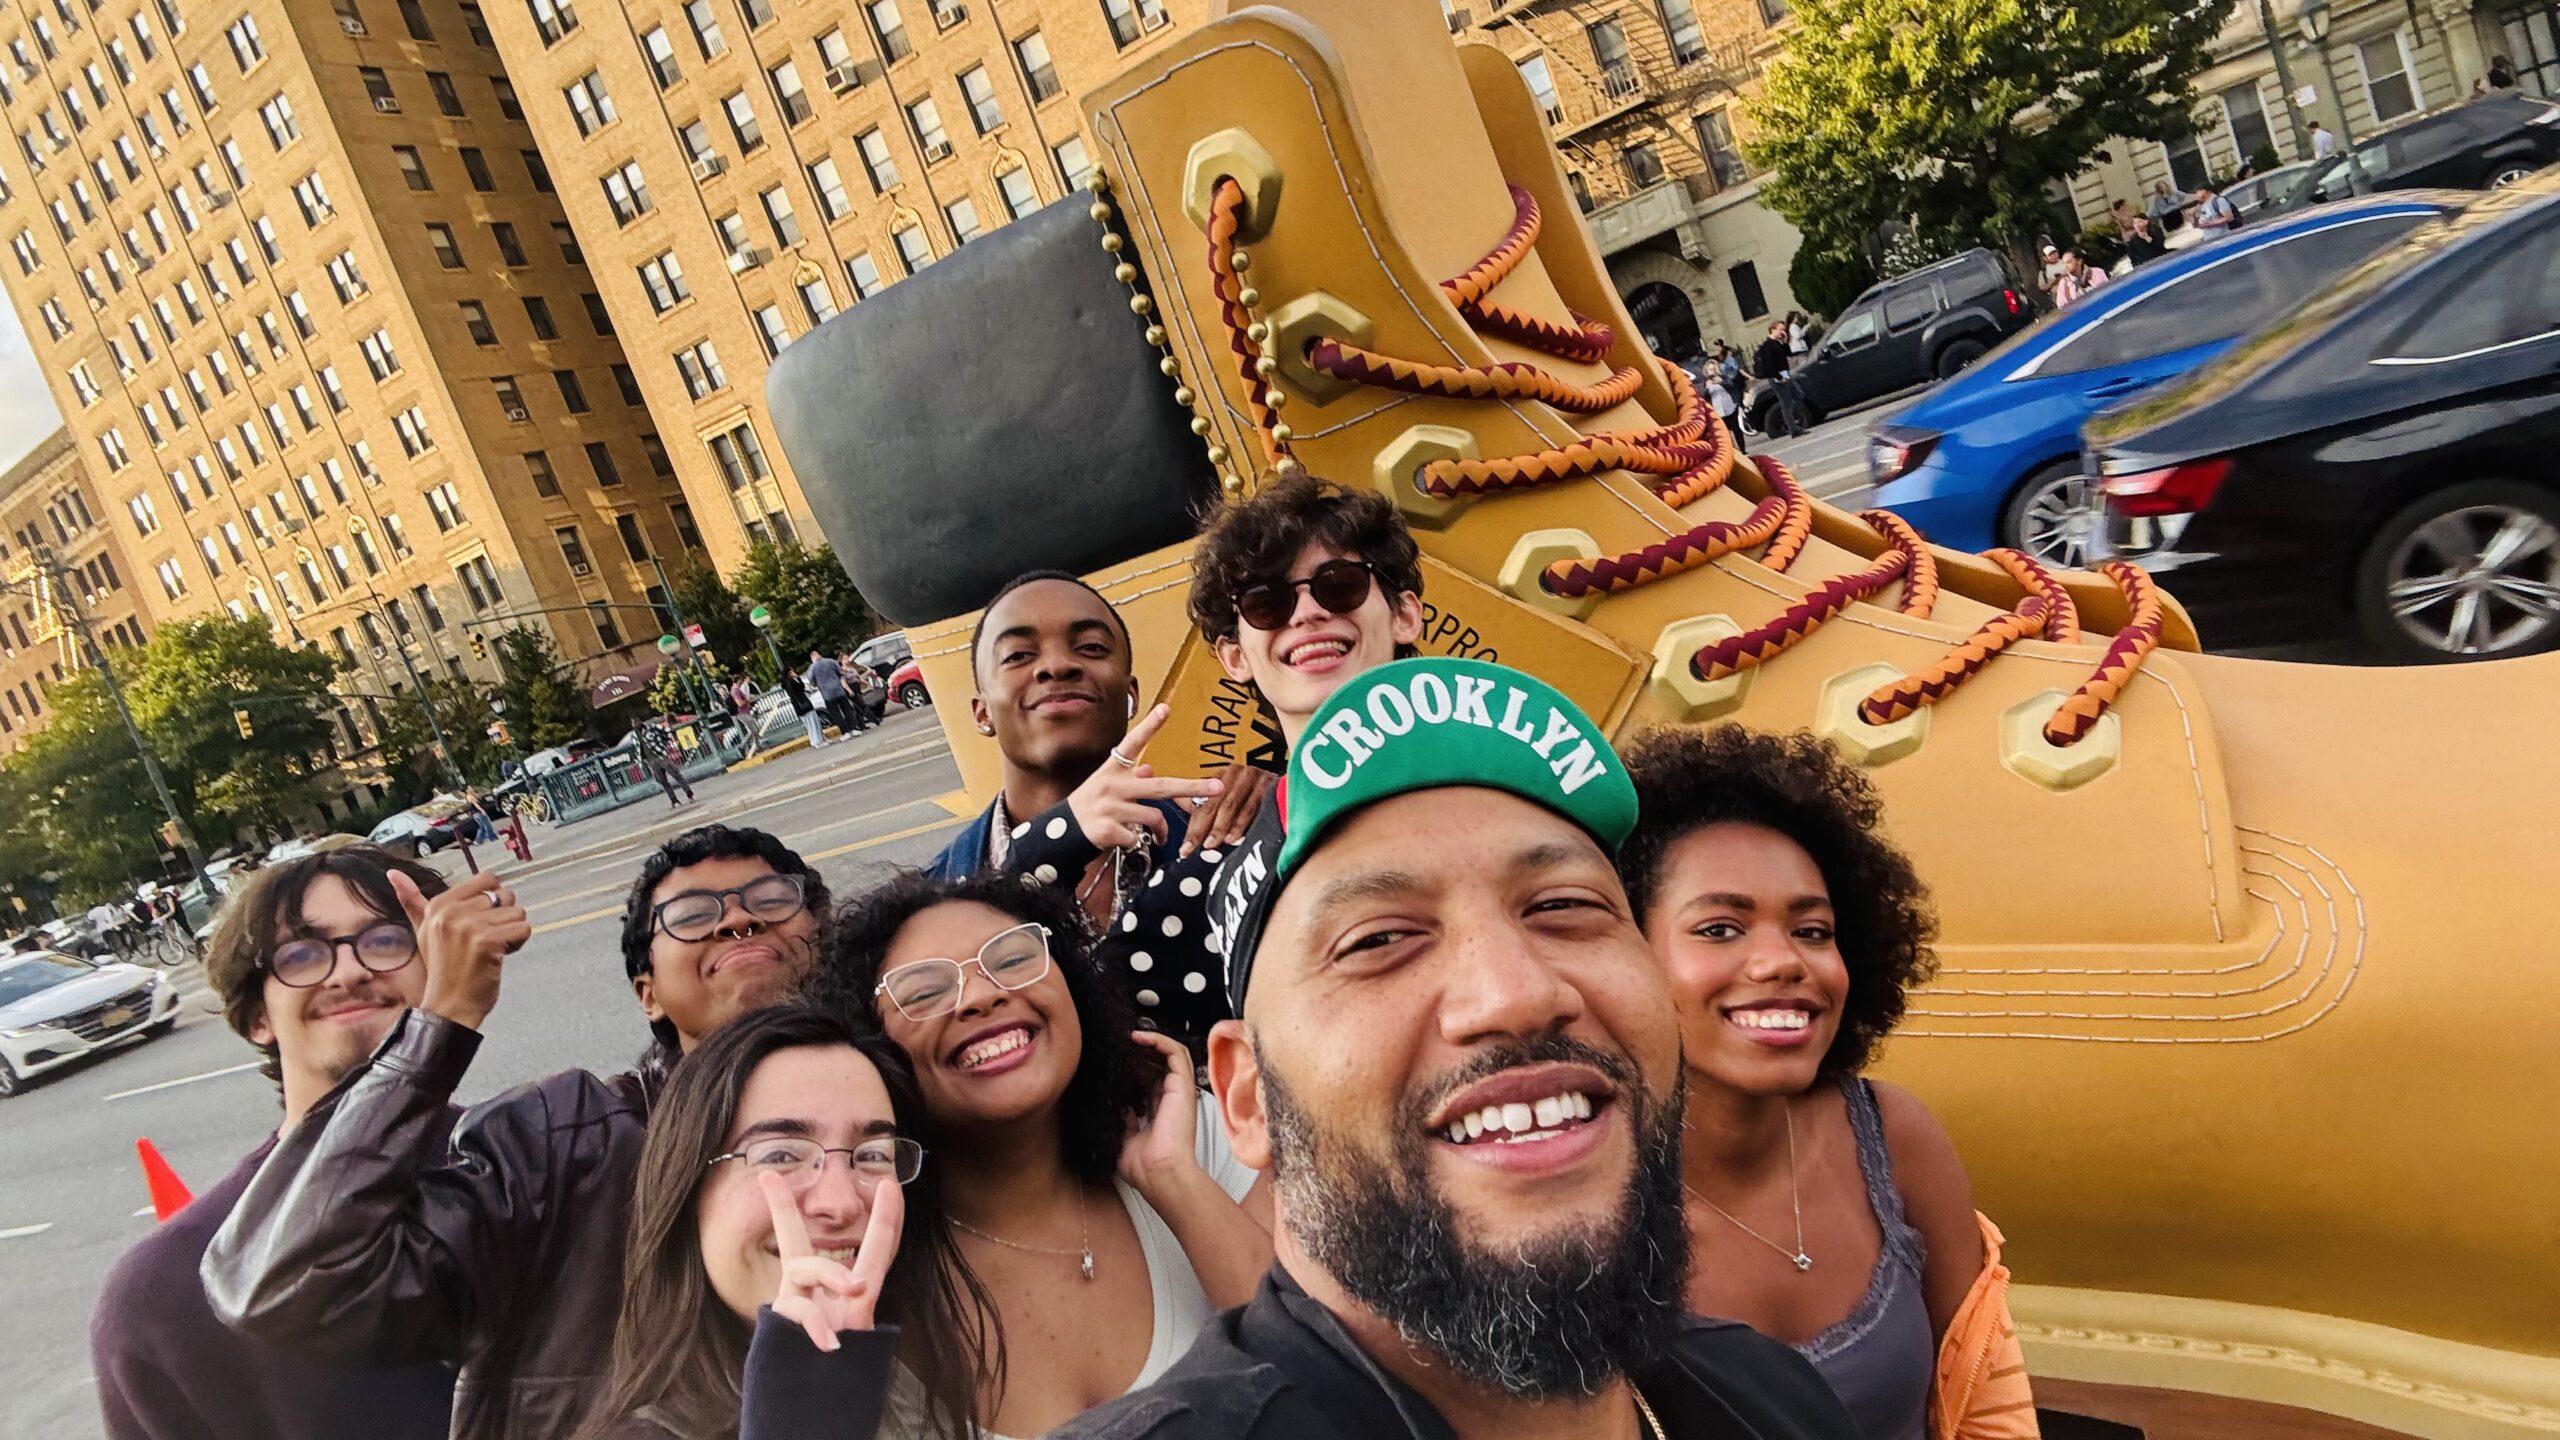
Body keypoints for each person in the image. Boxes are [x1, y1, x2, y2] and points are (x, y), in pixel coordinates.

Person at [912, 657, 1837, 1438]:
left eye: (1564, 908)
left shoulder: (1766, 1396)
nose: (1514, 993)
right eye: (1377, 941)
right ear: (1246, 1099)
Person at [202, 826, 831, 1440]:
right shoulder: (562, 1142)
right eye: (691, 915)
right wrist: (440, 1019)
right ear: (648, 995)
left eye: (773, 900)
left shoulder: (903, 1105)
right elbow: (294, 1285)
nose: (738, 921)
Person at [1618, 727, 2033, 1440]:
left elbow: (1988, 1410)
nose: (1782, 961)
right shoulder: (1572, 1200)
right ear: (1622, 953)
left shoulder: (1896, 1139)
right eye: (1720, 929)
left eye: (1812, 931)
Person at [813, 870, 1272, 1436]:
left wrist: (1172, 1179)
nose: (982, 995)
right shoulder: (856, 1269)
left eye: (1012, 959)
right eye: (925, 991)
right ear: (870, 1048)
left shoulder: (1193, 1138)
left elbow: (1330, 1369)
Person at [92, 848, 458, 1440]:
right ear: (257, 1016)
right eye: (304, 954)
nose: (349, 972)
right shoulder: (167, 1293)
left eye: (388, 941)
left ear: (441, 974)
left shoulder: (542, 1168)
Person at [575, 1002, 973, 1440]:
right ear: (685, 1187)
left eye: (873, 1155)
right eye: (781, 1155)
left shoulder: (937, 1378)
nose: (840, 1204)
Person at [927, 570, 1266, 1057]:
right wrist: (1057, 838)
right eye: (1019, 656)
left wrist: (1282, 805)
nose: (1058, 666)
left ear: (1130, 695)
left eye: (1089, 648)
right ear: (982, 713)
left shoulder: (1217, 836)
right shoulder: (931, 896)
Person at [1186, 473, 1426, 755]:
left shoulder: (1487, 778)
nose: (1307, 613)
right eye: (1265, 602)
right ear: (1236, 658)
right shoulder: (1241, 800)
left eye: (1339, 584)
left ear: (1404, 616)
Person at [1754, 319, 1811, 438]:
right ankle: (1793, 428)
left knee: (1798, 394)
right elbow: (1769, 364)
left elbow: (1788, 353)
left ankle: (1795, 420)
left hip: (1785, 372)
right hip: (1777, 375)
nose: (1782, 332)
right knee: (1786, 402)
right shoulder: (1767, 346)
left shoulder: (1777, 343)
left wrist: (1784, 341)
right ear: (1773, 329)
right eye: (1780, 330)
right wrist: (1778, 377)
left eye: (1783, 330)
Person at [637, 716, 697, 808]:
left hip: (661, 756)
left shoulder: (652, 727)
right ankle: (674, 800)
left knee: (676, 775)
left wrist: (665, 744)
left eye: (635, 722)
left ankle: (689, 794)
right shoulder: (635, 735)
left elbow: (667, 731)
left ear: (640, 722)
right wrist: (643, 761)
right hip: (651, 761)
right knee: (663, 781)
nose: (634, 725)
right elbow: (638, 749)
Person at [808, 650, 857, 738]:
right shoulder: (831, 661)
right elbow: (841, 672)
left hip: (827, 695)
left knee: (836, 714)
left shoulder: (813, 668)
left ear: (812, 658)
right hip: (839, 690)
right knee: (847, 709)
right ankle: (853, 728)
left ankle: (845, 732)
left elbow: (812, 682)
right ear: (820, 655)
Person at [779, 666, 825, 749]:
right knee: (812, 723)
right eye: (791, 671)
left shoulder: (787, 683)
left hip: (799, 706)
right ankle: (817, 741)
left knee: (810, 724)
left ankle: (816, 740)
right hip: (803, 704)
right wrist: (798, 678)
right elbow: (801, 688)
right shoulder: (791, 682)